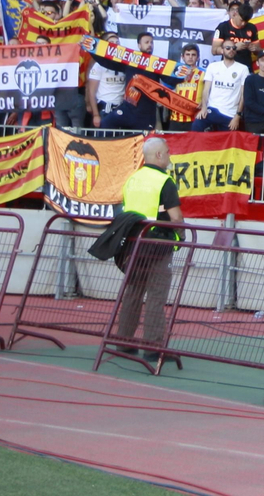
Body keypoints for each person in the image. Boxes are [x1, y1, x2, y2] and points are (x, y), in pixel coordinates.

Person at [116, 138, 184, 363]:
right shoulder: (165, 181)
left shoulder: (132, 179)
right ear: (159, 155)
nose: (169, 155)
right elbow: (176, 217)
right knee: (156, 295)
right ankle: (153, 347)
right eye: (167, 152)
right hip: (158, 246)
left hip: (134, 244)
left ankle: (123, 342)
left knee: (133, 293)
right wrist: (181, 238)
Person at [192, 39, 249, 130]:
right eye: (228, 48)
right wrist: (204, 108)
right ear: (222, 50)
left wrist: (237, 116)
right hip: (212, 109)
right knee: (196, 126)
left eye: (234, 48)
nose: (231, 50)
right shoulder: (213, 66)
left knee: (231, 138)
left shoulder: (243, 68)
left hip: (230, 113)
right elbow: (206, 90)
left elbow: (243, 95)